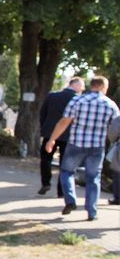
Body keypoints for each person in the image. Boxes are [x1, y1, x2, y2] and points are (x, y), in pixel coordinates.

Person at [45, 76, 120, 221]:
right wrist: (111, 140)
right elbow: (116, 127)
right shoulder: (110, 104)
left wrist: (52, 139)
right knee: (93, 178)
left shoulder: (78, 100)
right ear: (102, 87)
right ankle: (92, 212)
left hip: (76, 143)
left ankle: (70, 200)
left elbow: (64, 122)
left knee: (66, 172)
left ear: (91, 86)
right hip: (97, 146)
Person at [38, 77, 84, 196]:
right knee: (65, 163)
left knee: (46, 159)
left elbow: (42, 113)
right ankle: (61, 190)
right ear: (75, 85)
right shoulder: (78, 100)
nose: (82, 89)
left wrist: (44, 128)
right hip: (69, 135)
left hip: (50, 132)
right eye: (81, 86)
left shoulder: (52, 96)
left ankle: (46, 182)